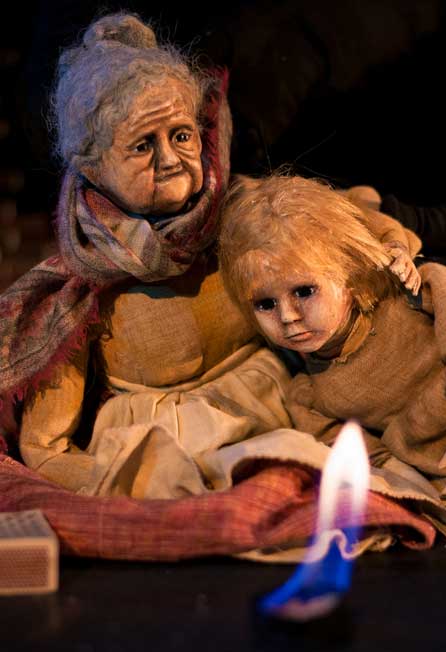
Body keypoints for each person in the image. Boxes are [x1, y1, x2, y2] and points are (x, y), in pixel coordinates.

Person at [0, 12, 424, 500]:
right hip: (159, 442)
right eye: (142, 145)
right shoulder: (78, 288)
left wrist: (392, 244)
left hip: (272, 409)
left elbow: (345, 217)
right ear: (92, 169)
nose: (169, 160)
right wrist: (123, 484)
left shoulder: (241, 212)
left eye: (181, 135)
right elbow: (46, 448)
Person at [218, 174, 446, 495]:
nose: (288, 317)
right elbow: (375, 462)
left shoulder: (409, 296)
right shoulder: (310, 397)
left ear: (348, 273)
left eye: (304, 291)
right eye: (265, 304)